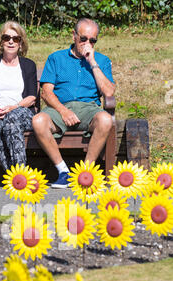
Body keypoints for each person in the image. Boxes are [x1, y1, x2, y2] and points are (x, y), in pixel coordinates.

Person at [32, 18, 116, 188]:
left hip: (88, 109)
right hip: (59, 107)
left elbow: (108, 92)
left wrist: (92, 63)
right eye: (83, 38)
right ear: (74, 36)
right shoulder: (56, 58)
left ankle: (85, 173)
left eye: (92, 41)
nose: (87, 44)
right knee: (38, 121)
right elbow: (46, 93)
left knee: (106, 119)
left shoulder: (102, 60)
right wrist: (63, 111)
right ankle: (63, 171)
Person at [0, 22, 38, 171]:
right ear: (1, 41)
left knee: (11, 120)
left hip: (20, 111)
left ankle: (21, 171)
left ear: (21, 43)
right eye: (7, 37)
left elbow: (31, 97)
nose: (11, 41)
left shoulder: (28, 65)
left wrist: (13, 108)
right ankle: (11, 170)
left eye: (15, 39)